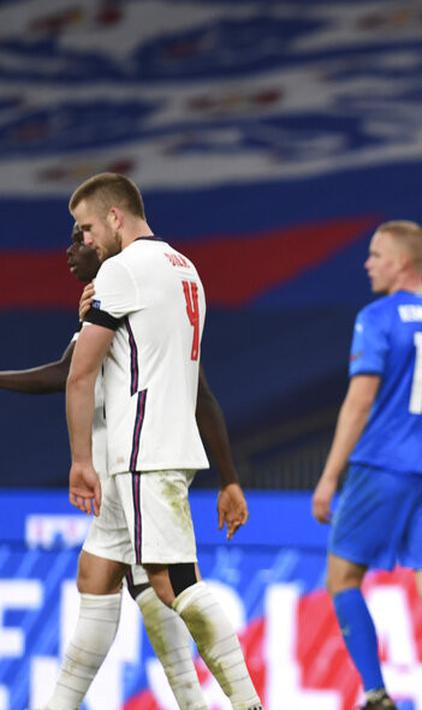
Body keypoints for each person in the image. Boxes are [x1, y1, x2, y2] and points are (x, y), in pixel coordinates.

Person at [0, 223, 249, 710]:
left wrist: (230, 479)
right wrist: (229, 478)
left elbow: (66, 375)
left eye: (81, 238)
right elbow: (197, 393)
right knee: (106, 579)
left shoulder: (128, 296)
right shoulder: (118, 304)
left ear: (105, 244)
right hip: (122, 472)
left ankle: (247, 703)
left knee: (169, 584)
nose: (70, 251)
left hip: (139, 464)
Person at [311, 221, 422, 710]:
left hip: (380, 467)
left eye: (376, 254)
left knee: (342, 578)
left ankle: (376, 692)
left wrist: (328, 477)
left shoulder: (377, 317)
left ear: (403, 262)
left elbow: (359, 401)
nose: (368, 264)